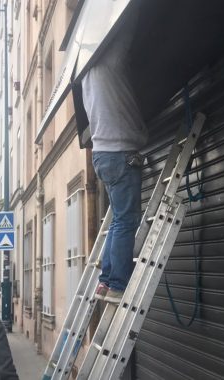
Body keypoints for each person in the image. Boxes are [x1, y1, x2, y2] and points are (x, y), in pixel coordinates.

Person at [77, 7, 147, 304]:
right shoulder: (110, 62)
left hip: (103, 154)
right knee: (125, 221)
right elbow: (126, 24)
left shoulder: (85, 73)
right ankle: (117, 282)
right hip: (120, 152)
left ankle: (106, 281)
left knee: (119, 220)